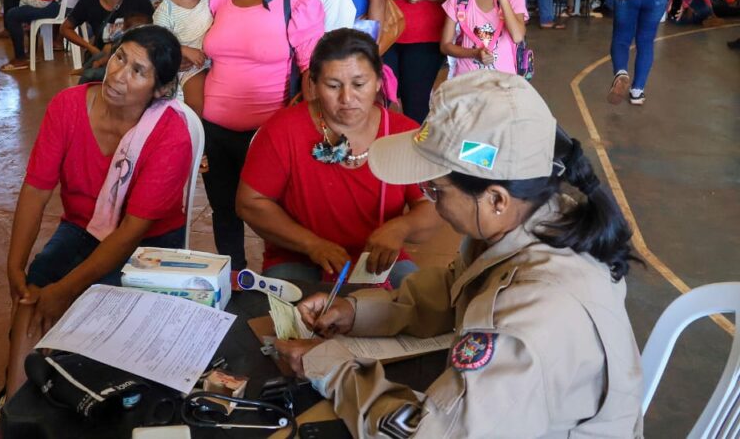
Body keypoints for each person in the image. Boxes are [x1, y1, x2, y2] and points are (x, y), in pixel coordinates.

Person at [275, 71, 644, 438]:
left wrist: (331, 368)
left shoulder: (532, 319)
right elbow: (457, 288)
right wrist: (355, 312)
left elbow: (427, 434)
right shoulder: (531, 219)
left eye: (436, 191)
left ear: (496, 199)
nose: (432, 204)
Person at [2, 25, 192, 399]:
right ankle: (14, 408)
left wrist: (68, 289)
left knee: (93, 309)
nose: (119, 75)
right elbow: (37, 190)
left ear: (160, 90)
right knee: (33, 291)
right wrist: (15, 265)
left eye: (139, 71)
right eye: (120, 58)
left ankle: (63, 397)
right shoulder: (68, 107)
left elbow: (131, 233)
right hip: (82, 228)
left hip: (149, 247)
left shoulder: (170, 135)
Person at [238, 29, 439, 284]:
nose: (347, 98)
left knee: (419, 304)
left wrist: (401, 228)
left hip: (375, 260)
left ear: (379, 81)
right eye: (333, 86)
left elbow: (431, 206)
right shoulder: (284, 129)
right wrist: (311, 244)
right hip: (298, 256)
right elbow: (251, 202)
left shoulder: (403, 134)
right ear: (312, 83)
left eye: (359, 84)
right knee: (293, 315)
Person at [202, 0, 325, 270]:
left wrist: (308, 131)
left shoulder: (298, 3)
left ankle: (284, 280)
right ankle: (235, 281)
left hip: (268, 133)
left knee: (274, 214)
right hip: (215, 130)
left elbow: (311, 72)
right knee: (224, 211)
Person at [60, 0, 155, 68]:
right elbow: (65, 28)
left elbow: (154, 31)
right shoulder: (89, 2)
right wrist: (91, 48)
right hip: (103, 60)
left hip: (135, 60)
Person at [153, 0, 215, 115]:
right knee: (196, 104)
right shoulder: (167, 10)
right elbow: (159, 42)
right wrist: (183, 49)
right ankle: (196, 134)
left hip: (214, 59)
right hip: (191, 65)